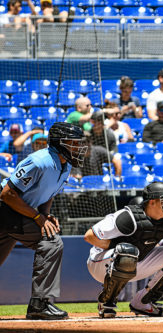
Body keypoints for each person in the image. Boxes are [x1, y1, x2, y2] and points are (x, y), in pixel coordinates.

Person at [84, 181, 163, 318]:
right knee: (127, 251)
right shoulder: (127, 217)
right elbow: (89, 236)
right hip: (100, 264)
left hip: (136, 261)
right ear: (152, 202)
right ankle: (107, 302)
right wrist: (118, 249)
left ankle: (143, 303)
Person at [0, 122, 87, 320]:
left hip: (17, 213)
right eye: (73, 143)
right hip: (5, 210)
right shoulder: (39, 161)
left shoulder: (66, 166)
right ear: (59, 143)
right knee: (51, 242)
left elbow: (49, 193)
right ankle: (40, 303)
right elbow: (8, 194)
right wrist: (38, 218)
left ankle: (40, 303)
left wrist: (45, 213)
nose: (78, 147)